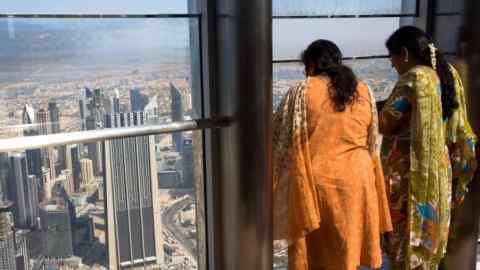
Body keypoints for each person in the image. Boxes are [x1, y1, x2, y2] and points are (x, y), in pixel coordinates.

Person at [273, 39, 392, 270]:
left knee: (317, 256)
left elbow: (279, 138)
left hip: (317, 184)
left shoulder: (301, 91)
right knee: (347, 252)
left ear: (310, 65)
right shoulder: (364, 90)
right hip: (359, 181)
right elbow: (371, 139)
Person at [380, 26, 477, 270]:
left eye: (391, 59)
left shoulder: (415, 77)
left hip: (409, 173)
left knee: (405, 243)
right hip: (438, 169)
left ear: (403, 53)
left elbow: (386, 121)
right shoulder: (449, 74)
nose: (393, 66)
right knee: (430, 239)